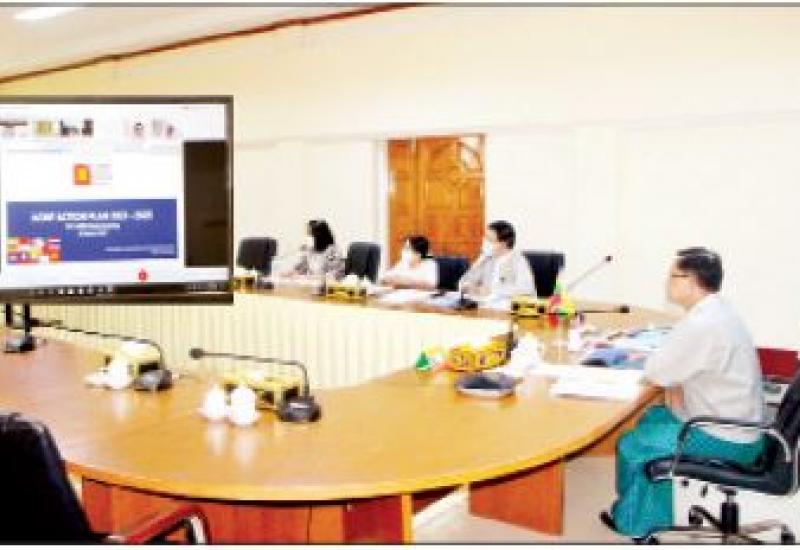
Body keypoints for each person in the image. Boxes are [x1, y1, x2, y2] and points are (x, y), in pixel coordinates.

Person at [602, 247, 764, 539]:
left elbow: (656, 372)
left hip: (725, 437)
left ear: (691, 281)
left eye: (673, 275)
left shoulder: (702, 324)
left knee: (632, 444)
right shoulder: (718, 310)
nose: (668, 281)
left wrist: (670, 377)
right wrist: (673, 379)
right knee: (653, 417)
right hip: (742, 426)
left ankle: (635, 522)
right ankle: (654, 509)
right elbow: (674, 369)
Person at [458, 220, 535, 299]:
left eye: (489, 240)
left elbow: (526, 289)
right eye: (485, 238)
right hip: (484, 303)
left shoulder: (518, 260)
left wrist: (492, 290)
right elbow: (464, 281)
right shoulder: (486, 258)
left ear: (503, 243)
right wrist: (468, 286)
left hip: (507, 304)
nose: (485, 243)